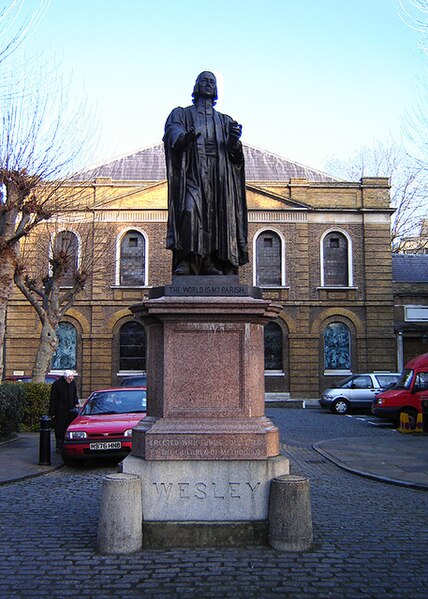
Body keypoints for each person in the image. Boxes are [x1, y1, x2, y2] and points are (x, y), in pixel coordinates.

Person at [163, 71, 249, 276]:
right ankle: (187, 261)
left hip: (219, 176)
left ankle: (211, 261)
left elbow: (236, 158)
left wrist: (233, 142)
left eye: (212, 82)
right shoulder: (182, 114)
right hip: (193, 171)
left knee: (216, 216)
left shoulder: (225, 120)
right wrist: (184, 137)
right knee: (190, 210)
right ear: (196, 86)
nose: (208, 84)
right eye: (204, 81)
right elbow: (172, 132)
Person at [49, 370, 79, 452]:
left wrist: (76, 403)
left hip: (70, 410)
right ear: (65, 377)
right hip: (60, 411)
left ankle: (68, 444)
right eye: (70, 377)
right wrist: (52, 412)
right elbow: (53, 399)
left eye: (72, 377)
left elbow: (74, 394)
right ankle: (59, 446)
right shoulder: (57, 384)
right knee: (59, 429)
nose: (71, 379)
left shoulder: (72, 383)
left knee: (68, 428)